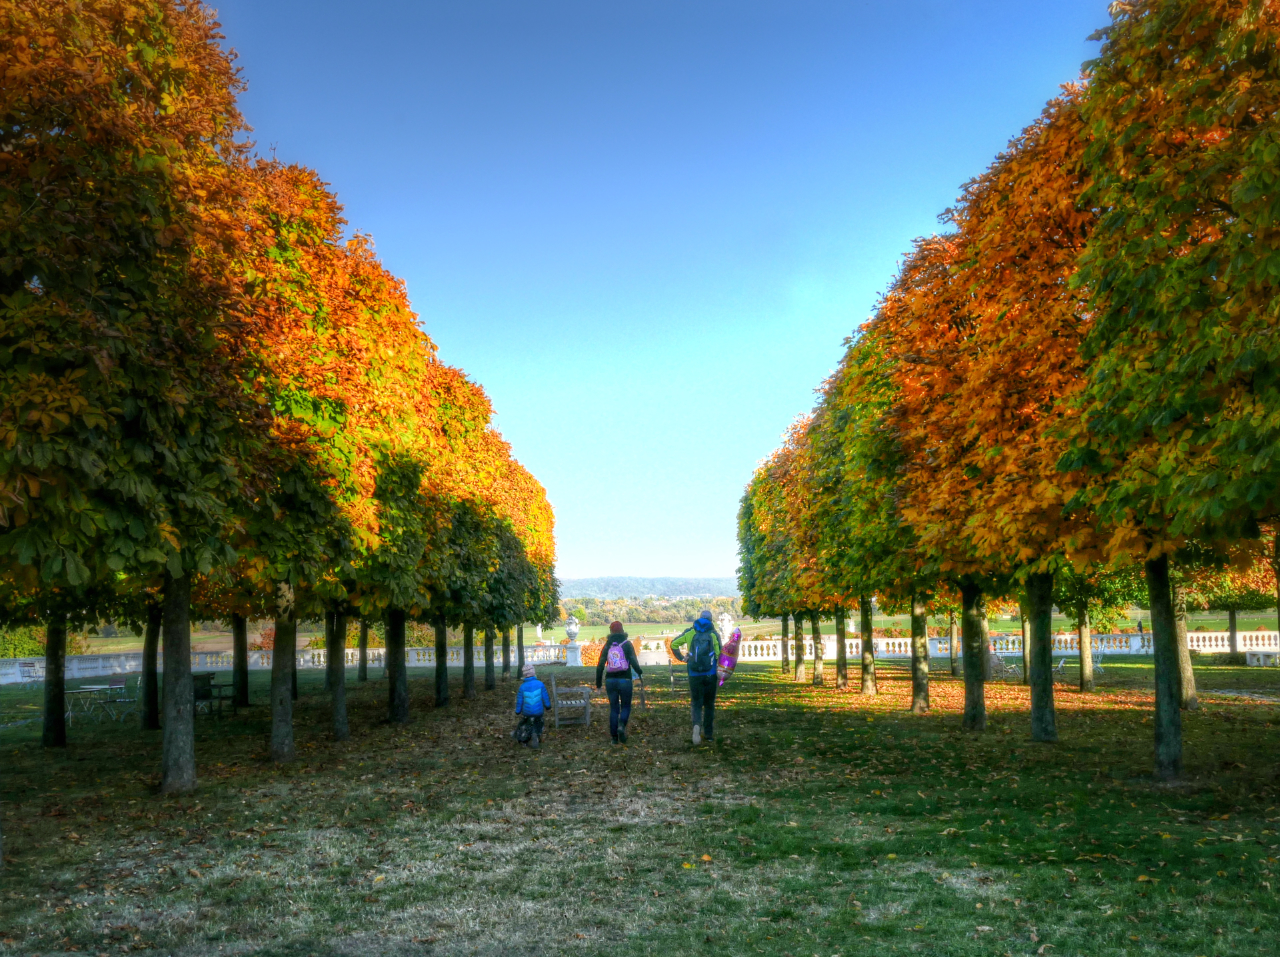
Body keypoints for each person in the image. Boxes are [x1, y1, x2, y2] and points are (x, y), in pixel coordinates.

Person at [671, 609, 722, 744]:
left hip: (694, 674)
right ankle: (709, 735)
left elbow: (673, 644)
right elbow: (719, 654)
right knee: (709, 704)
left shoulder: (690, 632)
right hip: (710, 674)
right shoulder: (713, 634)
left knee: (696, 703)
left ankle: (696, 727)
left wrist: (682, 658)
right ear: (711, 620)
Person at [595, 620, 643, 744]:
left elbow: (600, 665)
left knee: (614, 708)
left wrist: (599, 684)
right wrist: (640, 672)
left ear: (610, 631)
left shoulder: (608, 645)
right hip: (625, 680)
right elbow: (633, 661)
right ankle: (622, 725)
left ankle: (614, 738)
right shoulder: (627, 644)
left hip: (610, 680)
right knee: (626, 706)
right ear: (622, 630)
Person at [514, 662, 550, 748]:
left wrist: (518, 711)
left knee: (526, 725)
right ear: (534, 673)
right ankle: (538, 735)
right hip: (538, 711)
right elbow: (545, 697)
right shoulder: (540, 684)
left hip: (527, 712)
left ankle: (524, 740)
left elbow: (520, 701)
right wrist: (548, 706)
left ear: (525, 675)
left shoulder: (522, 687)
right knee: (539, 722)